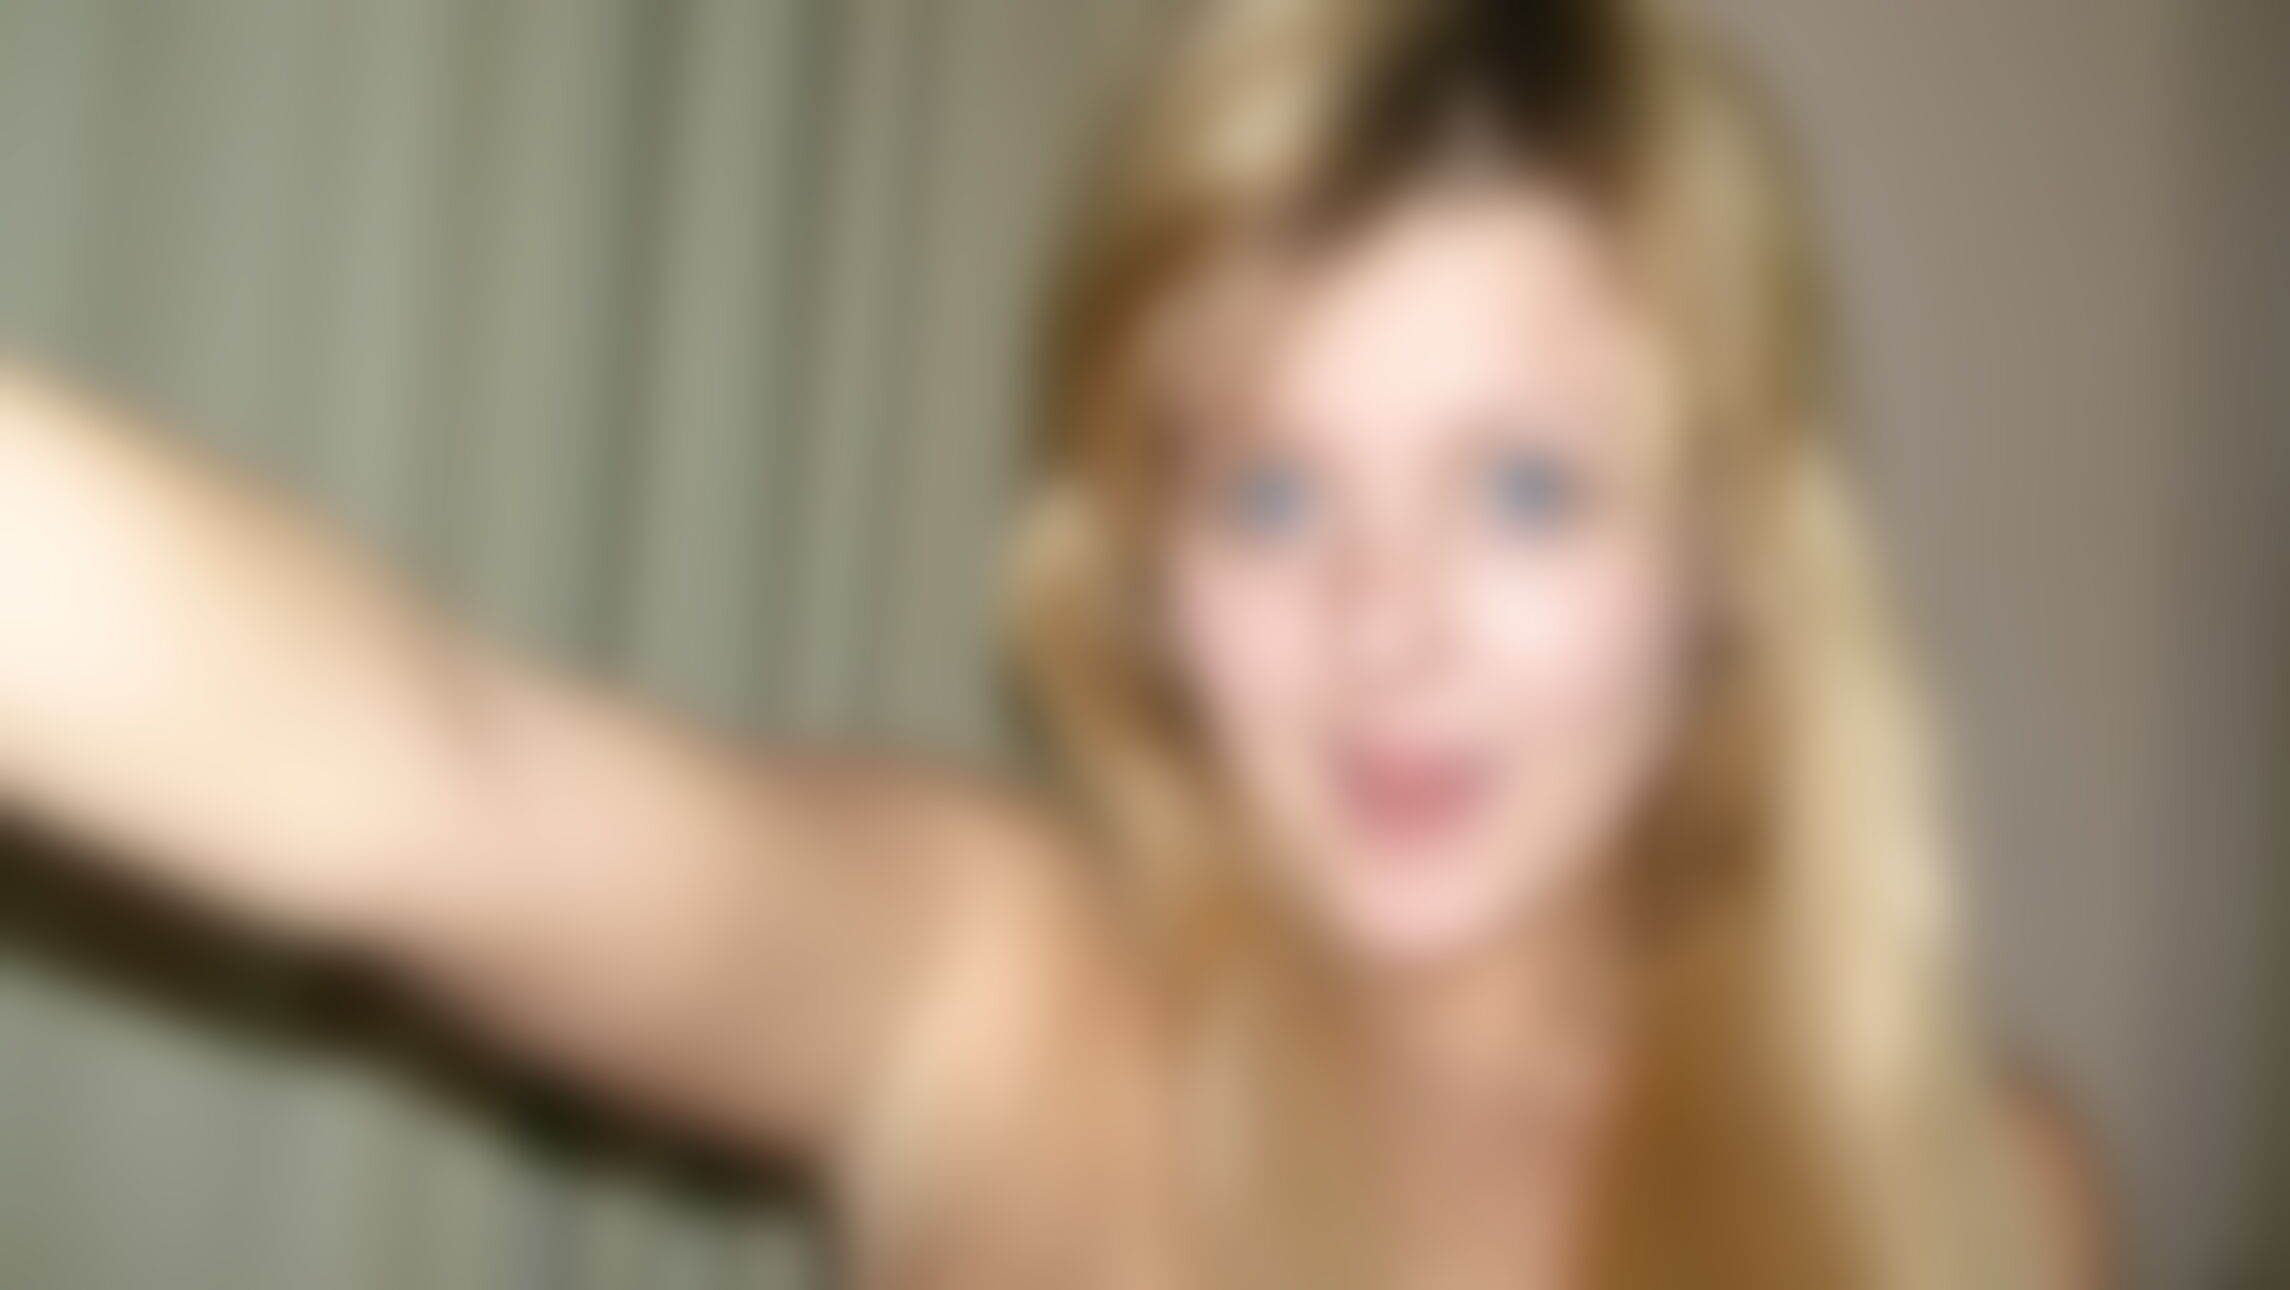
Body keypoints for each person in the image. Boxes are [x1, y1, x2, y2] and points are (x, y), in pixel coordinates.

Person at [0, 0, 2104, 1286]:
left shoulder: (1980, 1197)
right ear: (1148, 580)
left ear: (1727, 552)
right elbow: (429, 778)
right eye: (1269, 497)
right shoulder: (999, 1000)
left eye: (1523, 489)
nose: (1380, 628)